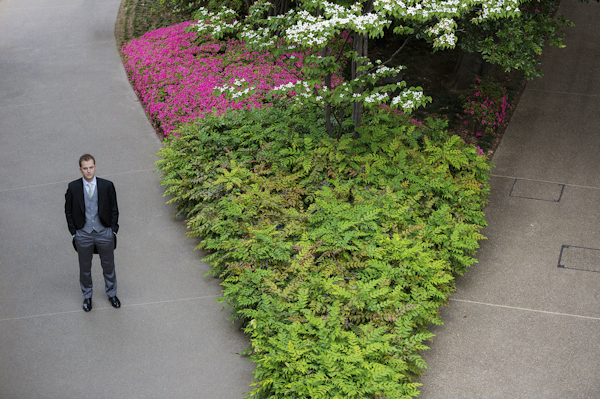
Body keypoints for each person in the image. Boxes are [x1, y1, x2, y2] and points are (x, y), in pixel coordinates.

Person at [65, 154, 120, 312]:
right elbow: (68, 211)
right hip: (83, 234)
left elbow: (114, 208)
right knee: (85, 268)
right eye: (85, 168)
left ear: (95, 167)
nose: (88, 171)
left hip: (104, 232)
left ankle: (112, 294)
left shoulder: (107, 185)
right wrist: (74, 233)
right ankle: (87, 297)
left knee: (109, 266)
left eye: (91, 167)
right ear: (80, 170)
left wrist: (112, 230)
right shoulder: (73, 187)